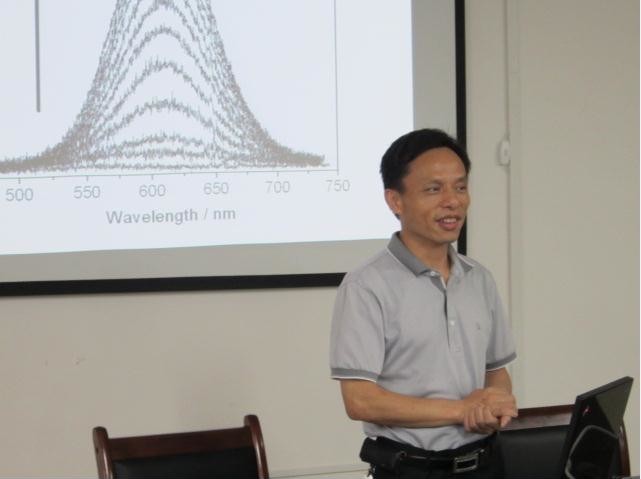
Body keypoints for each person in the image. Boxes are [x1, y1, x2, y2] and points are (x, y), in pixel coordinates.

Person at [329, 129, 517, 478]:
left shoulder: (479, 278)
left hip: (487, 464)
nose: (453, 201)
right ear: (395, 201)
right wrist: (461, 410)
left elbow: (496, 370)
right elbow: (360, 401)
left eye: (460, 187)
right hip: (412, 469)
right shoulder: (366, 286)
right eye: (434, 189)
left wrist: (495, 402)